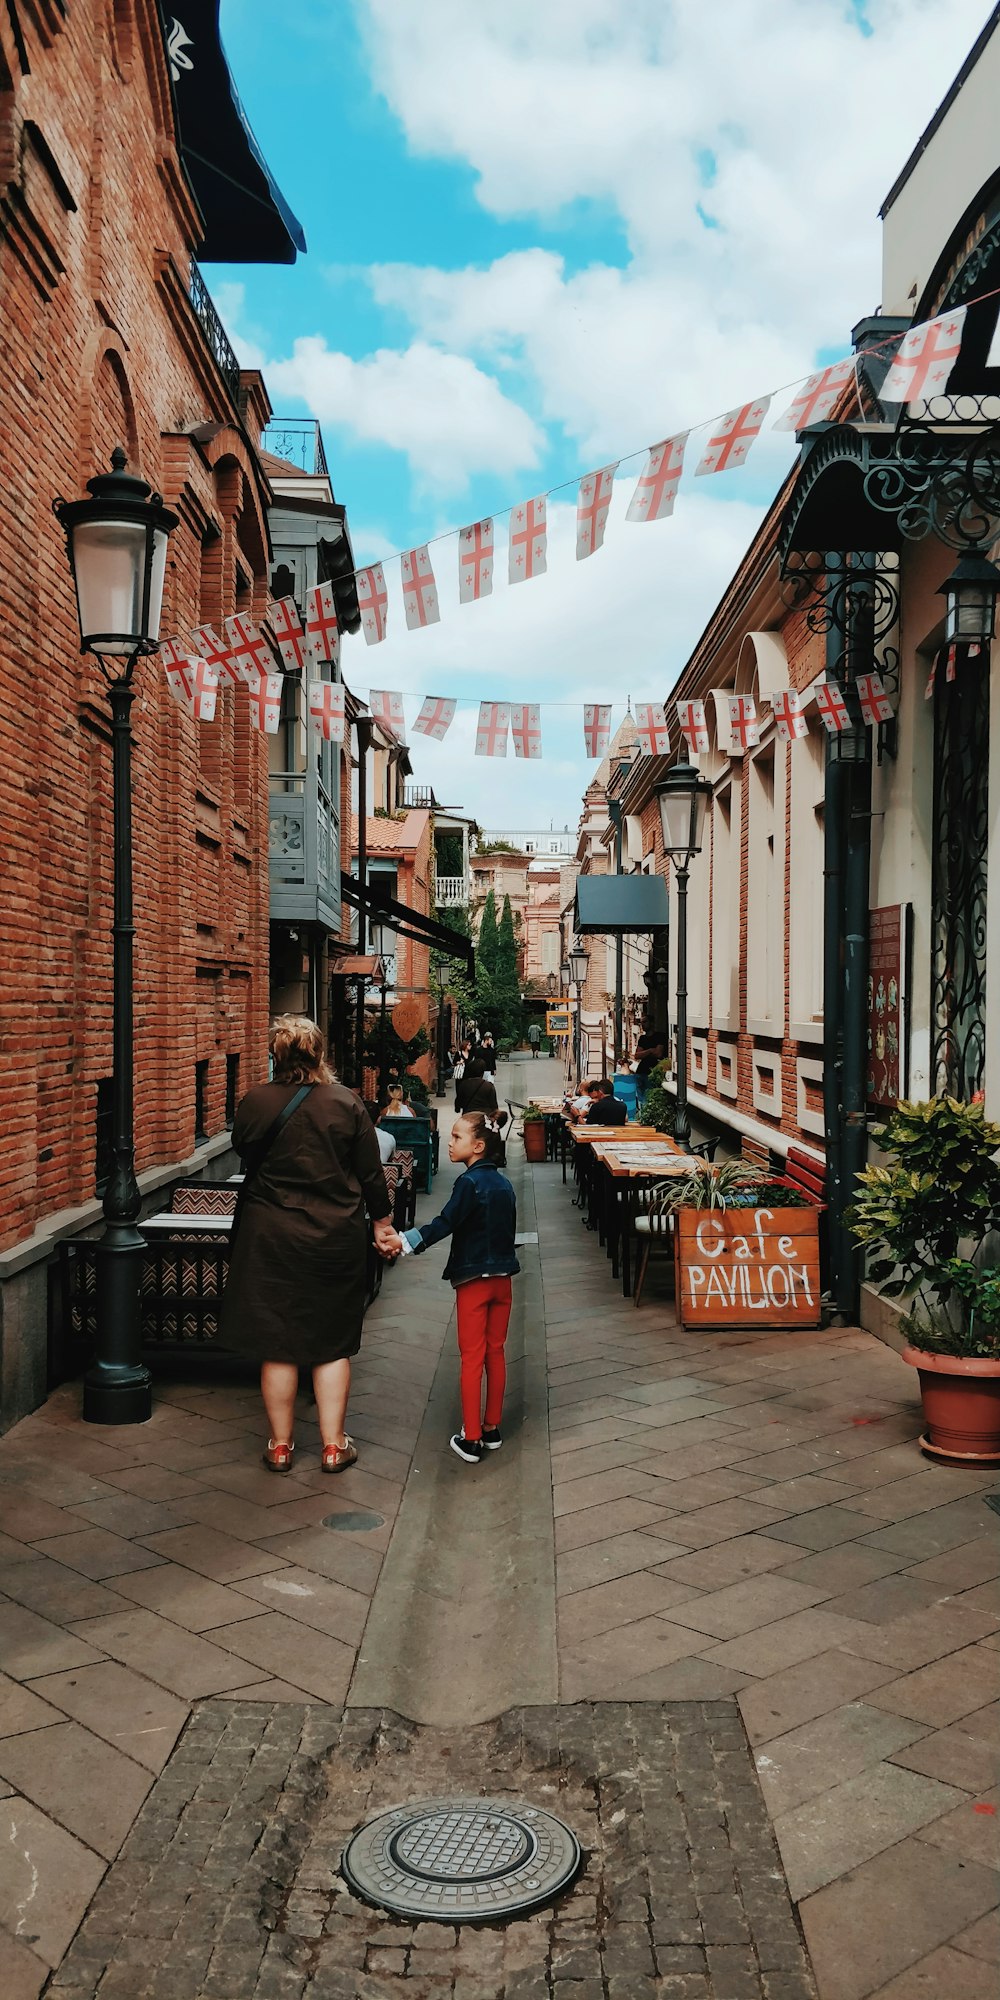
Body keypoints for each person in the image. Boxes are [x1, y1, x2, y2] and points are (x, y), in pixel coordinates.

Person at [221, 1015, 398, 1474]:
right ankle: (333, 1446)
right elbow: (370, 1174)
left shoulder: (255, 1102)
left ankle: (280, 1446)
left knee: (277, 1343)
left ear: (275, 1056)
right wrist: (382, 1224)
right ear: (320, 1054)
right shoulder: (346, 1104)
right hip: (332, 1236)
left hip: (268, 1236)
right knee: (331, 1342)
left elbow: (243, 1149)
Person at [394, 1111, 519, 1463]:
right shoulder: (504, 1185)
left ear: (478, 1146)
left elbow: (446, 1221)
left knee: (471, 1358)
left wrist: (406, 1242)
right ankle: (492, 1427)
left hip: (474, 1283)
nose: (449, 1143)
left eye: (456, 1138)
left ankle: (472, 1437)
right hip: (503, 1281)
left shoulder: (468, 1184)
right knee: (496, 1353)